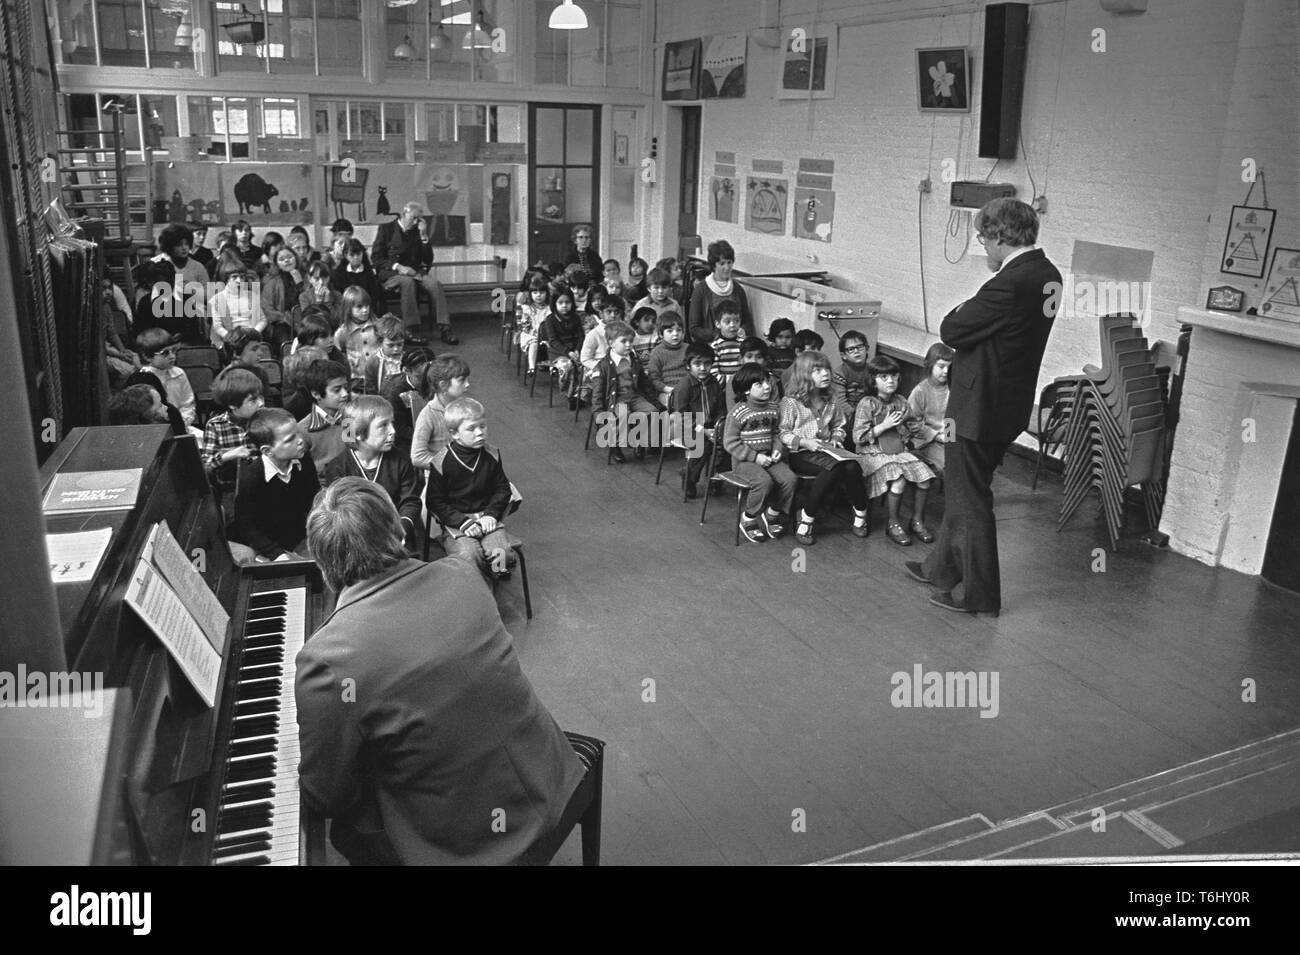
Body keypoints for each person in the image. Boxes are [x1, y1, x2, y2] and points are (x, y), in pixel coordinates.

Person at [295, 478, 588, 865]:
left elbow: (326, 795)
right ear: (399, 531)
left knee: (347, 829)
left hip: (474, 843)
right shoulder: (463, 574)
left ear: (323, 562)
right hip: (547, 773)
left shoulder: (327, 657)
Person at [909, 198, 1061, 616]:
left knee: (969, 496)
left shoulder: (1008, 283)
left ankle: (979, 595)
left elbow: (952, 327)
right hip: (1009, 404)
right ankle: (939, 567)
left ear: (1000, 236)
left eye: (982, 238)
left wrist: (962, 311)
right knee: (964, 488)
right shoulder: (1049, 276)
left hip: (978, 409)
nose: (981, 246)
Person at [779, 351, 870, 545]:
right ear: (804, 375)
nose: (825, 374)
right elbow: (783, 432)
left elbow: (839, 425)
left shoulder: (831, 399)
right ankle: (807, 517)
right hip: (801, 453)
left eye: (826, 369)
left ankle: (860, 512)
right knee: (834, 469)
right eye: (817, 370)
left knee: (853, 466)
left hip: (829, 451)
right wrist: (804, 442)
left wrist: (837, 437)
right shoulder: (790, 402)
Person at [424, 397, 516, 582]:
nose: (480, 433)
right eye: (471, 429)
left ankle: (494, 580)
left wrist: (491, 514)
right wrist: (462, 522)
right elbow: (435, 501)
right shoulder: (441, 461)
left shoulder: (492, 454)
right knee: (469, 555)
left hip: (486, 519)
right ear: (454, 433)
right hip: (457, 522)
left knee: (502, 552)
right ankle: (477, 587)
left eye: (482, 426)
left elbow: (502, 489)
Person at [853, 354, 937, 546]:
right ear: (873, 381)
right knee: (898, 480)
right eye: (884, 377)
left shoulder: (900, 401)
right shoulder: (868, 403)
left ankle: (917, 521)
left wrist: (937, 434)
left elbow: (914, 425)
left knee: (925, 478)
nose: (890, 381)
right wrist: (884, 425)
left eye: (894, 376)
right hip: (871, 452)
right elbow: (858, 437)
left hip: (897, 450)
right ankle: (893, 523)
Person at [324, 396, 422, 554]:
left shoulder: (401, 460)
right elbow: (340, 513)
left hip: (395, 534)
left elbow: (410, 502)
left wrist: (401, 530)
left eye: (392, 423)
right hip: (356, 540)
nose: (393, 431)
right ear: (358, 434)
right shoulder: (338, 467)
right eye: (383, 425)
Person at [229, 408, 317, 564]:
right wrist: (276, 554)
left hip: (302, 538)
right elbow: (247, 526)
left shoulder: (303, 459)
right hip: (268, 548)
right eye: (290, 439)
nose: (300, 440)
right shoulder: (251, 478)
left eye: (298, 433)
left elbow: (314, 498)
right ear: (268, 451)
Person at [724, 363, 797, 542]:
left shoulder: (773, 408)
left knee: (790, 479)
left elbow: (775, 433)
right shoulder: (738, 412)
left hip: (769, 458)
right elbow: (730, 442)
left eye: (767, 382)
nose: (767, 386)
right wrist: (755, 457)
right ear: (746, 390)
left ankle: (772, 514)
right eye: (759, 384)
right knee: (763, 482)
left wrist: (778, 448)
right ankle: (748, 517)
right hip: (744, 462)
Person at [372, 201, 457, 345]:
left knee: (435, 284)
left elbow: (428, 259)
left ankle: (445, 329)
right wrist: (398, 266)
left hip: (414, 272)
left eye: (419, 219)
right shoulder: (386, 229)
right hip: (391, 274)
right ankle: (411, 331)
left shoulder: (417, 232)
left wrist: (424, 236)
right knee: (407, 282)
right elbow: (376, 258)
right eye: (414, 218)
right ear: (404, 214)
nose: (417, 222)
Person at [590, 321, 659, 463]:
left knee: (651, 411)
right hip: (616, 399)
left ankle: (639, 440)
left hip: (634, 396)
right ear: (611, 343)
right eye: (624, 341)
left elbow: (644, 383)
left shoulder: (634, 360)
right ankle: (615, 446)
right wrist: (598, 412)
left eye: (631, 341)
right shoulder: (602, 366)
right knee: (623, 414)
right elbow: (597, 391)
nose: (628, 345)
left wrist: (654, 401)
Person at [671, 343, 726, 499]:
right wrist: (702, 430)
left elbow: (721, 409)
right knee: (703, 445)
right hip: (688, 428)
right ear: (688, 366)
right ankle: (689, 478)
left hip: (710, 427)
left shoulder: (714, 383)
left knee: (726, 442)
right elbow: (681, 414)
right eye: (697, 364)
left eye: (707, 364)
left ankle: (715, 477)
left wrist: (717, 426)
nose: (702, 368)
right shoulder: (684, 386)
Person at [202, 367, 264, 499]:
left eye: (260, 397)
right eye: (253, 400)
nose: (261, 403)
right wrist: (227, 456)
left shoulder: (266, 418)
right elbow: (206, 466)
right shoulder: (215, 425)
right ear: (232, 406)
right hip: (231, 489)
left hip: (264, 483)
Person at [411, 354, 471, 470]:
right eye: (462, 380)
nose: (467, 384)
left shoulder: (465, 407)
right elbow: (417, 457)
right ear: (443, 385)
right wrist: (451, 465)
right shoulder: (428, 415)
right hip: (442, 479)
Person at [688, 239, 752, 345]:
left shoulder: (738, 290)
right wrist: (717, 335)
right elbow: (694, 328)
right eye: (722, 263)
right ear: (714, 265)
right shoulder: (701, 290)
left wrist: (742, 331)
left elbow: (747, 322)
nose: (727, 267)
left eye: (729, 263)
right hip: (710, 346)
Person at [134, 328, 197, 428]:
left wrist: (181, 424)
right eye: (165, 353)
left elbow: (187, 404)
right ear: (147, 356)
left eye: (174, 350)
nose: (172, 356)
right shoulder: (142, 379)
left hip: (181, 425)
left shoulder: (179, 373)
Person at [907, 342, 954, 475]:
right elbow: (912, 423)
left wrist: (950, 439)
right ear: (930, 364)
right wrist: (938, 436)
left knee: (965, 461)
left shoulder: (952, 390)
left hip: (948, 439)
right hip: (925, 441)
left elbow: (951, 416)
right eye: (941, 366)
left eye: (949, 367)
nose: (946, 371)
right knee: (951, 465)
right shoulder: (920, 391)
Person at [299, 358, 351, 474]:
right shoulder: (303, 430)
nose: (345, 394)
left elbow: (352, 453)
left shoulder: (348, 419)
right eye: (337, 390)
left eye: (345, 388)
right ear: (316, 394)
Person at [382, 345, 435, 458]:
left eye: (429, 376)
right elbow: (399, 428)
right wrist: (425, 435)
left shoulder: (434, 382)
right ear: (407, 371)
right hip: (408, 442)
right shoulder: (395, 393)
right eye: (419, 377)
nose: (426, 382)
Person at [539, 285, 584, 410]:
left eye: (567, 302)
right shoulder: (550, 320)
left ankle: (581, 394)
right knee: (567, 366)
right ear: (555, 304)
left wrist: (577, 350)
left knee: (585, 366)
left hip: (575, 351)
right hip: (557, 353)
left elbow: (581, 336)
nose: (564, 305)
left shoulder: (575, 318)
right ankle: (570, 395)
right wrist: (568, 352)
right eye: (560, 302)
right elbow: (553, 341)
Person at [208, 266, 267, 348]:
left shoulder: (252, 296)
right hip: (229, 341)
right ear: (227, 279)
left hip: (252, 338)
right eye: (234, 277)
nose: (239, 281)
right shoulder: (218, 299)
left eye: (242, 277)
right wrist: (232, 338)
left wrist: (253, 334)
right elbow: (217, 326)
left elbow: (262, 320)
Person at [832, 330, 873, 445]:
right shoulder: (840, 373)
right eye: (851, 349)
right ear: (843, 355)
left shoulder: (872, 370)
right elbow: (840, 402)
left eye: (860, 347)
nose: (856, 351)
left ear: (867, 348)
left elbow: (874, 396)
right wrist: (856, 417)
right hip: (846, 415)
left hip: (866, 412)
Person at [647, 313, 689, 408]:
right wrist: (668, 389)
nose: (675, 334)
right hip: (667, 391)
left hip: (688, 388)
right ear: (661, 334)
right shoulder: (656, 353)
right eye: (670, 331)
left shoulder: (688, 349)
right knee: (673, 403)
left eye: (679, 330)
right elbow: (653, 379)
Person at [516, 272, 550, 378]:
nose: (538, 295)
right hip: (530, 334)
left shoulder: (550, 308)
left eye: (542, 292)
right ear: (530, 294)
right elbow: (524, 326)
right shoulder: (528, 308)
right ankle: (531, 367)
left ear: (547, 293)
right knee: (534, 343)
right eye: (535, 292)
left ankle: (555, 366)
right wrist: (531, 329)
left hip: (546, 335)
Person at [331, 238, 385, 306]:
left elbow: (374, 296)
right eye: (352, 255)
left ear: (362, 253)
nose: (356, 257)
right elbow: (338, 296)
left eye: (358, 254)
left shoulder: (369, 273)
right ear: (345, 255)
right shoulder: (339, 273)